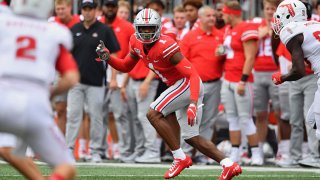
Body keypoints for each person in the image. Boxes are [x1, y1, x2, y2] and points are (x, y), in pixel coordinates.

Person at [96, 8, 242, 180]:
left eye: (150, 28)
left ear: (158, 27)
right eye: (143, 28)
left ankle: (179, 158)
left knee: (153, 112)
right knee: (192, 137)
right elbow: (126, 66)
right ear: (137, 28)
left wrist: (193, 104)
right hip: (179, 85)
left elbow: (193, 75)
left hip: (188, 84)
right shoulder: (135, 42)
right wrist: (108, 58)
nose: (146, 32)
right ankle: (229, 164)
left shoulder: (166, 45)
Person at [0, 0, 79, 179]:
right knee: (67, 167)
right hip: (35, 102)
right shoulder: (54, 31)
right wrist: (51, 94)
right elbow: (71, 78)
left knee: (6, 149)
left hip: (2, 94)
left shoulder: (3, 20)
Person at [66, 0, 120, 163]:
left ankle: (96, 150)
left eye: (90, 9)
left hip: (97, 81)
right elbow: (66, 55)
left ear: (96, 10)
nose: (88, 12)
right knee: (73, 116)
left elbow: (115, 56)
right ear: (82, 10)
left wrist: (113, 78)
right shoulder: (74, 29)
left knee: (96, 117)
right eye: (85, 9)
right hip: (76, 82)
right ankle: (68, 149)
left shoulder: (105, 30)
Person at [272, 0, 320, 166]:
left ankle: (316, 157)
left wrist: (282, 77)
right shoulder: (313, 24)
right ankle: (313, 156)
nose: (277, 21)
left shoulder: (290, 30)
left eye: (279, 16)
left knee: (318, 125)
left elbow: (298, 70)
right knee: (311, 119)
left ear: (288, 14)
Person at [220, 0, 263, 165]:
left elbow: (250, 56)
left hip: (241, 80)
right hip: (228, 78)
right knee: (232, 118)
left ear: (230, 14)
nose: (222, 16)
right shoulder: (228, 30)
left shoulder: (246, 27)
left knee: (245, 118)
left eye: (224, 13)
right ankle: (235, 153)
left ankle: (256, 153)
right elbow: (230, 51)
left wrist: (243, 80)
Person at [180, 5, 224, 164]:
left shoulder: (221, 35)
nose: (212, 18)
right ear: (201, 18)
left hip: (214, 83)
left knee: (209, 120)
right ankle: (184, 154)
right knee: (191, 119)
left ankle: (201, 154)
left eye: (213, 15)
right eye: (209, 16)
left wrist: (223, 54)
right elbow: (181, 60)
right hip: (195, 84)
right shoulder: (190, 36)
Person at [251, 0, 280, 161]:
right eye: (267, 8)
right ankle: (259, 151)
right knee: (260, 114)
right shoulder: (257, 26)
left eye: (272, 9)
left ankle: (282, 151)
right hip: (258, 72)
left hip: (276, 72)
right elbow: (249, 51)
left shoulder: (282, 25)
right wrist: (258, 36)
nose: (269, 12)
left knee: (280, 113)